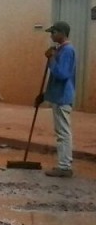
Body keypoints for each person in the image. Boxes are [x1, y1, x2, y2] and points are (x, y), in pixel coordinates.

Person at [37, 21, 75, 178]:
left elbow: (62, 74)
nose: (51, 36)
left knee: (63, 133)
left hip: (62, 98)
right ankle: (64, 164)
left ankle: (64, 166)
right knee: (61, 132)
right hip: (58, 96)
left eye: (53, 33)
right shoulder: (61, 50)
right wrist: (45, 95)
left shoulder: (67, 51)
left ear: (62, 33)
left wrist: (52, 58)